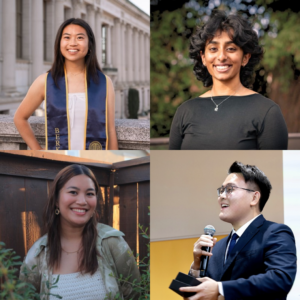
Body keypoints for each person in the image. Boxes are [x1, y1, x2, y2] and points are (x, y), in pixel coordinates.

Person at [169, 11, 288, 150]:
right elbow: (172, 168)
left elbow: (272, 170)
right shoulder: (185, 111)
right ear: (203, 57)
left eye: (231, 48)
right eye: (213, 48)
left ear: (245, 58)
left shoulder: (267, 112)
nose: (221, 56)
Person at [19, 164, 140, 300]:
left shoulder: (112, 242)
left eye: (89, 194)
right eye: (73, 192)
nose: (82, 201)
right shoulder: (37, 254)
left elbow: (135, 294)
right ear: (57, 200)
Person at [180, 161, 296, 300]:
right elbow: (191, 295)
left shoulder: (275, 233)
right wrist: (196, 267)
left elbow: (280, 279)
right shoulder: (215, 247)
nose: (221, 196)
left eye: (229, 189)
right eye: (221, 190)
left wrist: (220, 289)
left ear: (254, 197)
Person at [14, 18, 118, 150]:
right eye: (67, 37)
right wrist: (39, 153)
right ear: (59, 43)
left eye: (80, 38)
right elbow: (20, 118)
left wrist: (115, 164)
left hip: (95, 163)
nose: (73, 43)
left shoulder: (104, 83)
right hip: (58, 164)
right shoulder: (45, 81)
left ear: (90, 44)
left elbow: (110, 130)